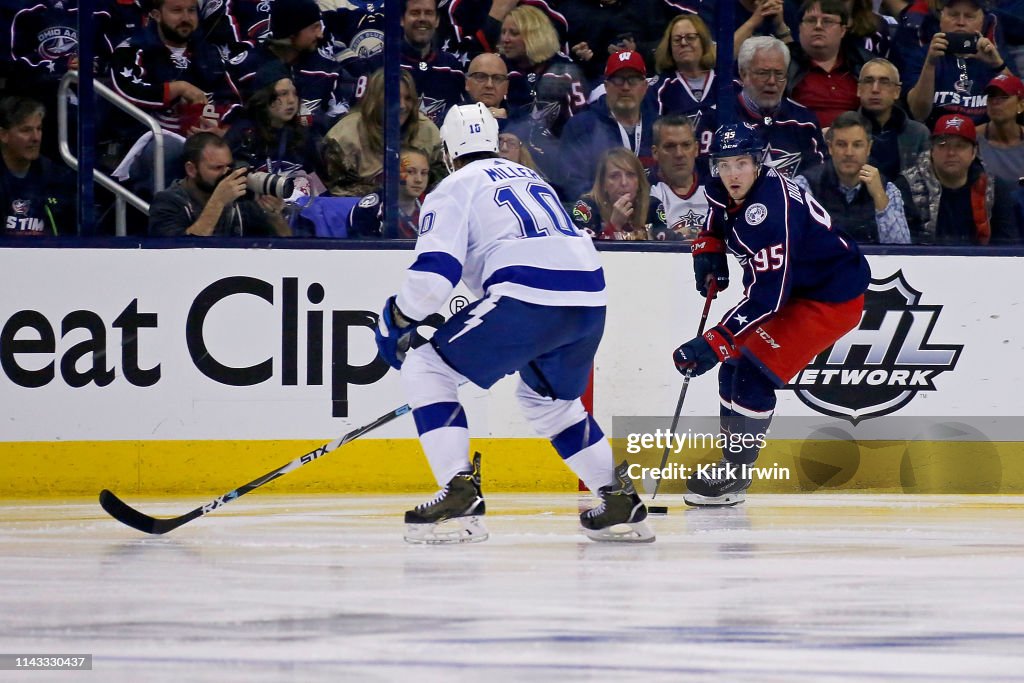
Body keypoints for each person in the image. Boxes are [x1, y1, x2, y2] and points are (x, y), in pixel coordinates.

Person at [374, 103, 654, 544]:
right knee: (550, 403)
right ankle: (619, 500)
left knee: (426, 367)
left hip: (528, 292)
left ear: (449, 151)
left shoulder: (453, 187)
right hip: (589, 296)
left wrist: (396, 317)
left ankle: (457, 493)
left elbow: (432, 276)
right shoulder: (530, 177)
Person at [672, 123, 869, 506]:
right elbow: (717, 214)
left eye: (741, 163)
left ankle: (737, 475)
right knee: (732, 365)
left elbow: (768, 298)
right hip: (797, 285)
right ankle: (731, 464)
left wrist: (713, 340)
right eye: (724, 164)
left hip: (828, 297)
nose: (731, 174)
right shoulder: (727, 186)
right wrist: (708, 247)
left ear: (758, 162)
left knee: (751, 372)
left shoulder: (770, 212)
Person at [795, 111, 914, 244]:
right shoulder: (804, 186)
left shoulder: (887, 189)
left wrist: (879, 197)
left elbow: (901, 249)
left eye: (857, 145)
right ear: (830, 147)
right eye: (841, 144)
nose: (849, 153)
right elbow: (791, 240)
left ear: (869, 148)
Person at [323, 68, 442, 195]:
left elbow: (441, 182)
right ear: (375, 100)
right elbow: (339, 191)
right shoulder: (344, 136)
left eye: (408, 98)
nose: (402, 106)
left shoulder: (428, 132)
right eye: (394, 97)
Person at [148, 132, 292, 237]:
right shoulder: (167, 202)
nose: (226, 173)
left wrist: (275, 217)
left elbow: (288, 253)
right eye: (217, 168)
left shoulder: (242, 199)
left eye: (229, 166)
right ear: (191, 169)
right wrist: (218, 201)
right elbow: (179, 256)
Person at [560, 50, 658, 200]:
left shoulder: (657, 126)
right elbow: (573, 183)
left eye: (633, 80)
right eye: (618, 80)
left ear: (645, 86)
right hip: (602, 215)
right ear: (606, 86)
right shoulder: (582, 127)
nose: (625, 87)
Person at [224, 62, 325, 203]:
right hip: (252, 214)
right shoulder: (243, 134)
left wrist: (313, 200)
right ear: (265, 97)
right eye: (283, 94)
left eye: (294, 93)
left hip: (295, 213)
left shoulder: (303, 134)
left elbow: (316, 182)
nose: (291, 101)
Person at [733, 36, 828, 178]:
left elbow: (819, 180)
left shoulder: (804, 122)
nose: (772, 81)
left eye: (779, 74)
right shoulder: (720, 117)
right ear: (743, 73)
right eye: (763, 73)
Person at [906, 0, 1012, 125]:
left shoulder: (996, 56)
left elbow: (1018, 109)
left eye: (969, 16)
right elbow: (919, 114)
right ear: (941, 18)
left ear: (982, 21)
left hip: (983, 138)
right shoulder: (922, 56)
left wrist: (998, 65)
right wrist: (930, 64)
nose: (961, 22)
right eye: (953, 15)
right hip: (936, 138)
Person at [901, 113, 995, 244]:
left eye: (960, 146)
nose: (951, 153)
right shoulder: (906, 185)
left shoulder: (992, 187)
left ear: (974, 152)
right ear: (932, 150)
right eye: (943, 145)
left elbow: (1007, 244)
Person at [787, 0, 872, 129]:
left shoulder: (863, 64)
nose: (818, 26)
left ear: (843, 30)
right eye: (811, 20)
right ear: (799, 28)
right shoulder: (783, 63)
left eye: (827, 21)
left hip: (853, 143)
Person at [0, 96, 75, 237]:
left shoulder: (57, 177)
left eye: (39, 129)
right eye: (26, 130)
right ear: (4, 135)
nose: (36, 138)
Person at [651, 13, 718, 153]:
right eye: (676, 39)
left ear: (703, 41)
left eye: (690, 37)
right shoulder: (660, 89)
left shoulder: (726, 82)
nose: (683, 43)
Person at [570, 147, 670, 240]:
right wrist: (614, 226)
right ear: (603, 183)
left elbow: (666, 243)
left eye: (630, 175)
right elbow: (586, 252)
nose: (624, 182)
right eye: (614, 176)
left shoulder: (652, 206)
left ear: (639, 181)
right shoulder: (585, 208)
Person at [856, 58, 931, 181]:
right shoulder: (843, 130)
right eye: (868, 81)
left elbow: (926, 186)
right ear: (858, 89)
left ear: (897, 92)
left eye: (884, 82)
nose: (875, 89)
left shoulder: (918, 134)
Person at [399, 0, 467, 128]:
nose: (422, 18)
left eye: (429, 13)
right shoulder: (380, 64)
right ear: (402, 19)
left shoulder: (452, 67)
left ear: (437, 20)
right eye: (415, 13)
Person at [648, 115, 709, 242]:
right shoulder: (646, 191)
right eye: (670, 146)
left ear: (696, 149)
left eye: (686, 145)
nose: (679, 154)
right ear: (655, 153)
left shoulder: (717, 188)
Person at [348, 146, 431, 239]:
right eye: (410, 172)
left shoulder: (434, 205)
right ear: (393, 173)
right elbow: (362, 249)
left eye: (424, 173)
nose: (419, 180)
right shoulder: (370, 209)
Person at [976, 73, 1024, 184]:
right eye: (991, 96)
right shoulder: (972, 139)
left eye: (1004, 97)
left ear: (1020, 105)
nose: (995, 102)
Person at [463, 53, 511, 121]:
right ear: (467, 83)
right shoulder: (449, 118)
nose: (489, 85)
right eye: (481, 77)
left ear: (506, 87)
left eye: (497, 78)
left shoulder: (520, 121)